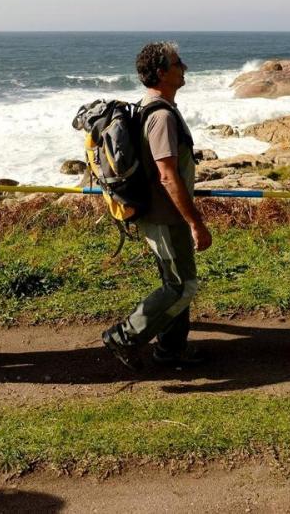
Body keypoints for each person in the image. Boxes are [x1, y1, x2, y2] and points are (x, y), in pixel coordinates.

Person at [101, 41, 212, 370]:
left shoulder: (151, 105)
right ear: (162, 72)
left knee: (176, 281)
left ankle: (171, 350)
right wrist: (196, 222)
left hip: (164, 214)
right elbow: (167, 176)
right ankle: (124, 336)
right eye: (178, 63)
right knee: (182, 286)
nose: (185, 67)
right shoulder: (161, 115)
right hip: (166, 217)